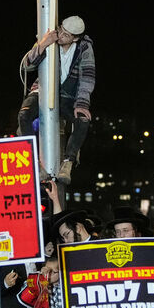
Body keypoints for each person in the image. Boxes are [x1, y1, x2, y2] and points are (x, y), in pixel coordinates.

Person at [16, 15, 96, 185]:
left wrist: (82, 103)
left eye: (66, 35)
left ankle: (68, 163)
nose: (61, 36)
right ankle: (34, 161)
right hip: (42, 89)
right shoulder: (50, 38)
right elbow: (27, 66)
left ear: (75, 38)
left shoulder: (84, 48)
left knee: (83, 120)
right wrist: (43, 43)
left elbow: (87, 77)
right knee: (24, 115)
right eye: (61, 30)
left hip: (67, 96)